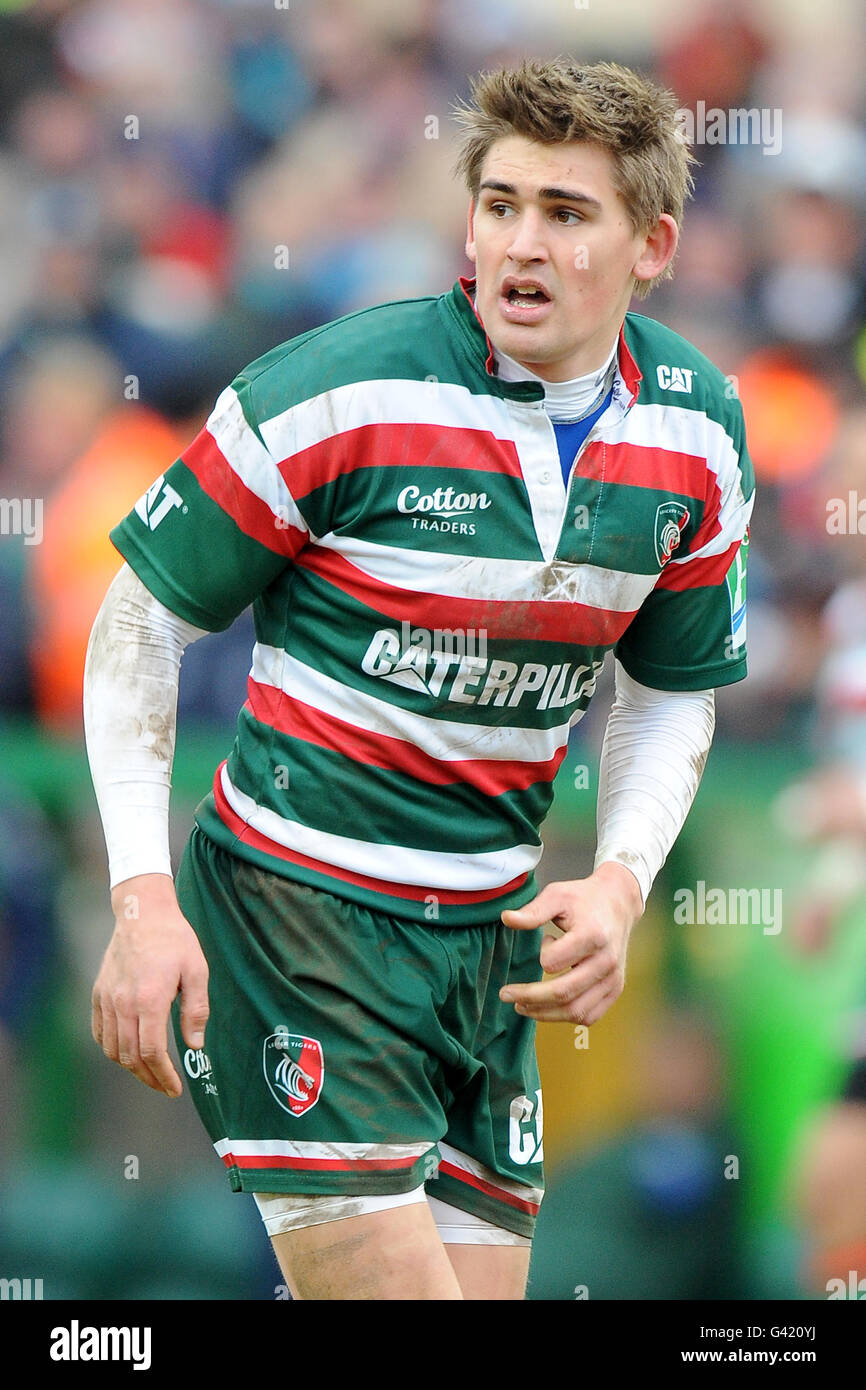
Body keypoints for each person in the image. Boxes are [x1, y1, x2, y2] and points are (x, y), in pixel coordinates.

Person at [84, 58, 755, 1301]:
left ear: (651, 244)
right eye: (499, 204)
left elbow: (667, 689)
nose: (521, 241)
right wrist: (138, 901)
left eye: (566, 213)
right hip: (299, 913)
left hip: (486, 944)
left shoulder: (695, 433)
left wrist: (616, 880)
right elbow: (137, 626)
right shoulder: (337, 387)